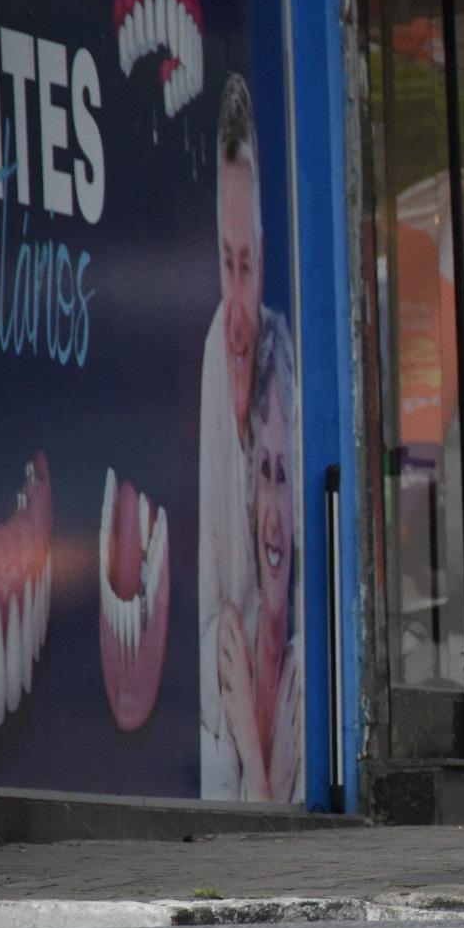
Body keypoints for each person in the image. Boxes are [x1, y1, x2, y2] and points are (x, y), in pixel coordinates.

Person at [198, 72, 268, 797]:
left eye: (248, 265)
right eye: (227, 263)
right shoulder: (217, 354)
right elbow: (216, 628)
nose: (238, 303)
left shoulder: (283, 370)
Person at [217, 311, 304, 801]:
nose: (272, 515)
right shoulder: (228, 652)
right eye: (264, 472)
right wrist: (258, 766)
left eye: (284, 476)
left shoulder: (303, 677)